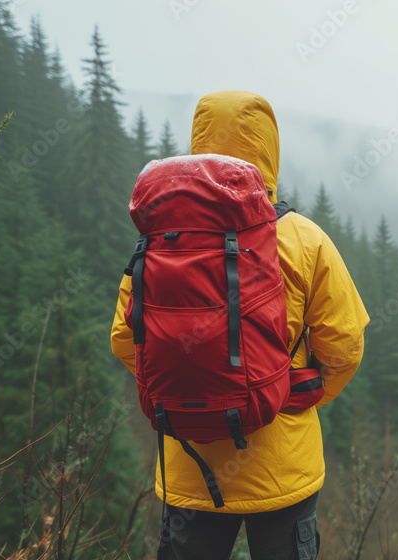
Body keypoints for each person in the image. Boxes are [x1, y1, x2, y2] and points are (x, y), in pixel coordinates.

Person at [110, 90, 369, 560]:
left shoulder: (159, 241)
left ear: (197, 145)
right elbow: (345, 345)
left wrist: (188, 383)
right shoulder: (305, 240)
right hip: (282, 469)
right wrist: (286, 394)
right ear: (269, 151)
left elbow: (126, 339)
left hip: (191, 469)